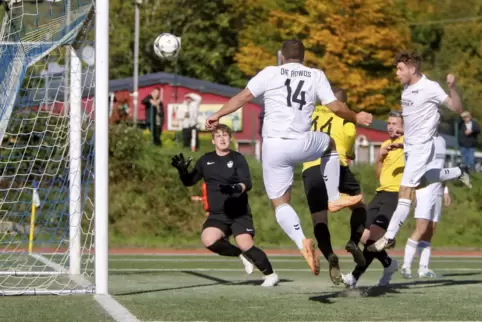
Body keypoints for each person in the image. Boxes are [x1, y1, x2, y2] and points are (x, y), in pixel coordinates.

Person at [205, 39, 373, 275]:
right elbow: (336, 106)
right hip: (301, 142)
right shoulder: (315, 75)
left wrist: (218, 114)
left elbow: (243, 97)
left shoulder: (270, 73)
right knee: (330, 143)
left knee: (280, 204)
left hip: (273, 147)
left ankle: (301, 241)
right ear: (303, 57)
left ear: (282, 57)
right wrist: (356, 117)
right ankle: (333, 196)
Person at [369, 51, 471, 252]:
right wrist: (402, 137)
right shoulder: (406, 88)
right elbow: (413, 119)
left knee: (404, 190)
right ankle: (459, 171)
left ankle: (389, 236)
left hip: (423, 147)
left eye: (400, 69)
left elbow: (456, 107)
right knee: (420, 183)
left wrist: (453, 89)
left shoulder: (430, 87)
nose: (396, 73)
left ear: (412, 69)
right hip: (410, 146)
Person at [171, 124, 279, 287]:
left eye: (225, 135)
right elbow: (189, 182)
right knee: (208, 239)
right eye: (218, 136)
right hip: (218, 215)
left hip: (238, 213)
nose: (222, 138)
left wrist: (236, 188)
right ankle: (241, 255)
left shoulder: (237, 158)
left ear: (230, 138)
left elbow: (247, 183)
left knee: (245, 243)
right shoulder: (205, 160)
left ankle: (271, 275)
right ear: (213, 140)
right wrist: (183, 172)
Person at [301, 88, 367, 284]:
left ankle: (330, 255)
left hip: (310, 170)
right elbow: (347, 148)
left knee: (319, 218)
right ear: (343, 104)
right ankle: (353, 242)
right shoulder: (346, 118)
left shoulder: (311, 113)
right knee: (360, 205)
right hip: (335, 166)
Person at [341, 111, 403, 288]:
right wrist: (380, 157)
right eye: (389, 123)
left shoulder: (409, 143)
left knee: (373, 238)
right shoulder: (385, 144)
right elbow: (379, 175)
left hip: (396, 195)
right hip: (381, 193)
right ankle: (388, 264)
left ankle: (354, 277)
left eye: (395, 123)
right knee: (363, 235)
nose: (391, 127)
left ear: (404, 126)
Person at [401, 133, 451, 279]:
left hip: (438, 191)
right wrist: (413, 189)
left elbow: (442, 168)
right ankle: (406, 266)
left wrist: (445, 190)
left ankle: (423, 268)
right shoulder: (420, 138)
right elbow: (412, 166)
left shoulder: (442, 140)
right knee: (421, 228)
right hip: (424, 190)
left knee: (430, 230)